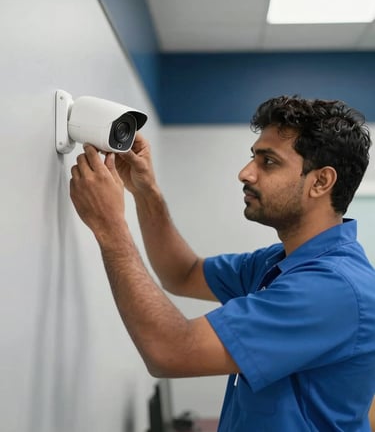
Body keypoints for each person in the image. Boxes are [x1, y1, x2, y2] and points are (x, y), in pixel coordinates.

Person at [70, 95, 375, 431]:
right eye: (252, 158)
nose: (245, 174)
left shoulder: (331, 288)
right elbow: (181, 273)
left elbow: (170, 351)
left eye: (268, 162)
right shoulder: (279, 262)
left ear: (320, 182)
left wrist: (110, 227)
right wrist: (146, 191)